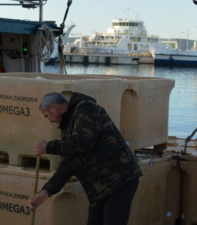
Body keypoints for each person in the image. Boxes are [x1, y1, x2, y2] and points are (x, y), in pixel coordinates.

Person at [29, 92, 142, 225]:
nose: (50, 121)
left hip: (119, 180)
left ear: (53, 107)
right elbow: (67, 165)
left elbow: (83, 142)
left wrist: (49, 147)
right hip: (100, 188)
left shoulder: (86, 108)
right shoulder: (68, 129)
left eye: (47, 116)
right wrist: (46, 191)